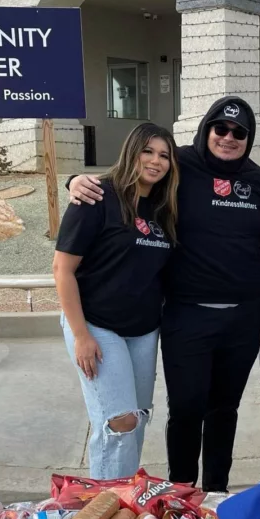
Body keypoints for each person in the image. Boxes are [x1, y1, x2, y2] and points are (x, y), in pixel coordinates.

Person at [65, 97, 260, 491]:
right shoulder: (180, 163)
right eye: (221, 129)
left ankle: (214, 492)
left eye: (239, 132)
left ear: (248, 138)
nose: (228, 138)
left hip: (242, 318)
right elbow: (131, 173)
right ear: (207, 129)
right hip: (187, 315)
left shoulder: (258, 181)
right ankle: (181, 492)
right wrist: (75, 180)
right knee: (186, 409)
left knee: (224, 410)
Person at [53, 122, 179, 479]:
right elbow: (62, 270)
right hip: (95, 324)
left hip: (142, 330)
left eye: (164, 155)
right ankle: (106, 508)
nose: (156, 161)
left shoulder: (163, 207)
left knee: (136, 418)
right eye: (148, 151)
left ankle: (123, 500)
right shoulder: (97, 197)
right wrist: (81, 335)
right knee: (118, 421)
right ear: (131, 152)